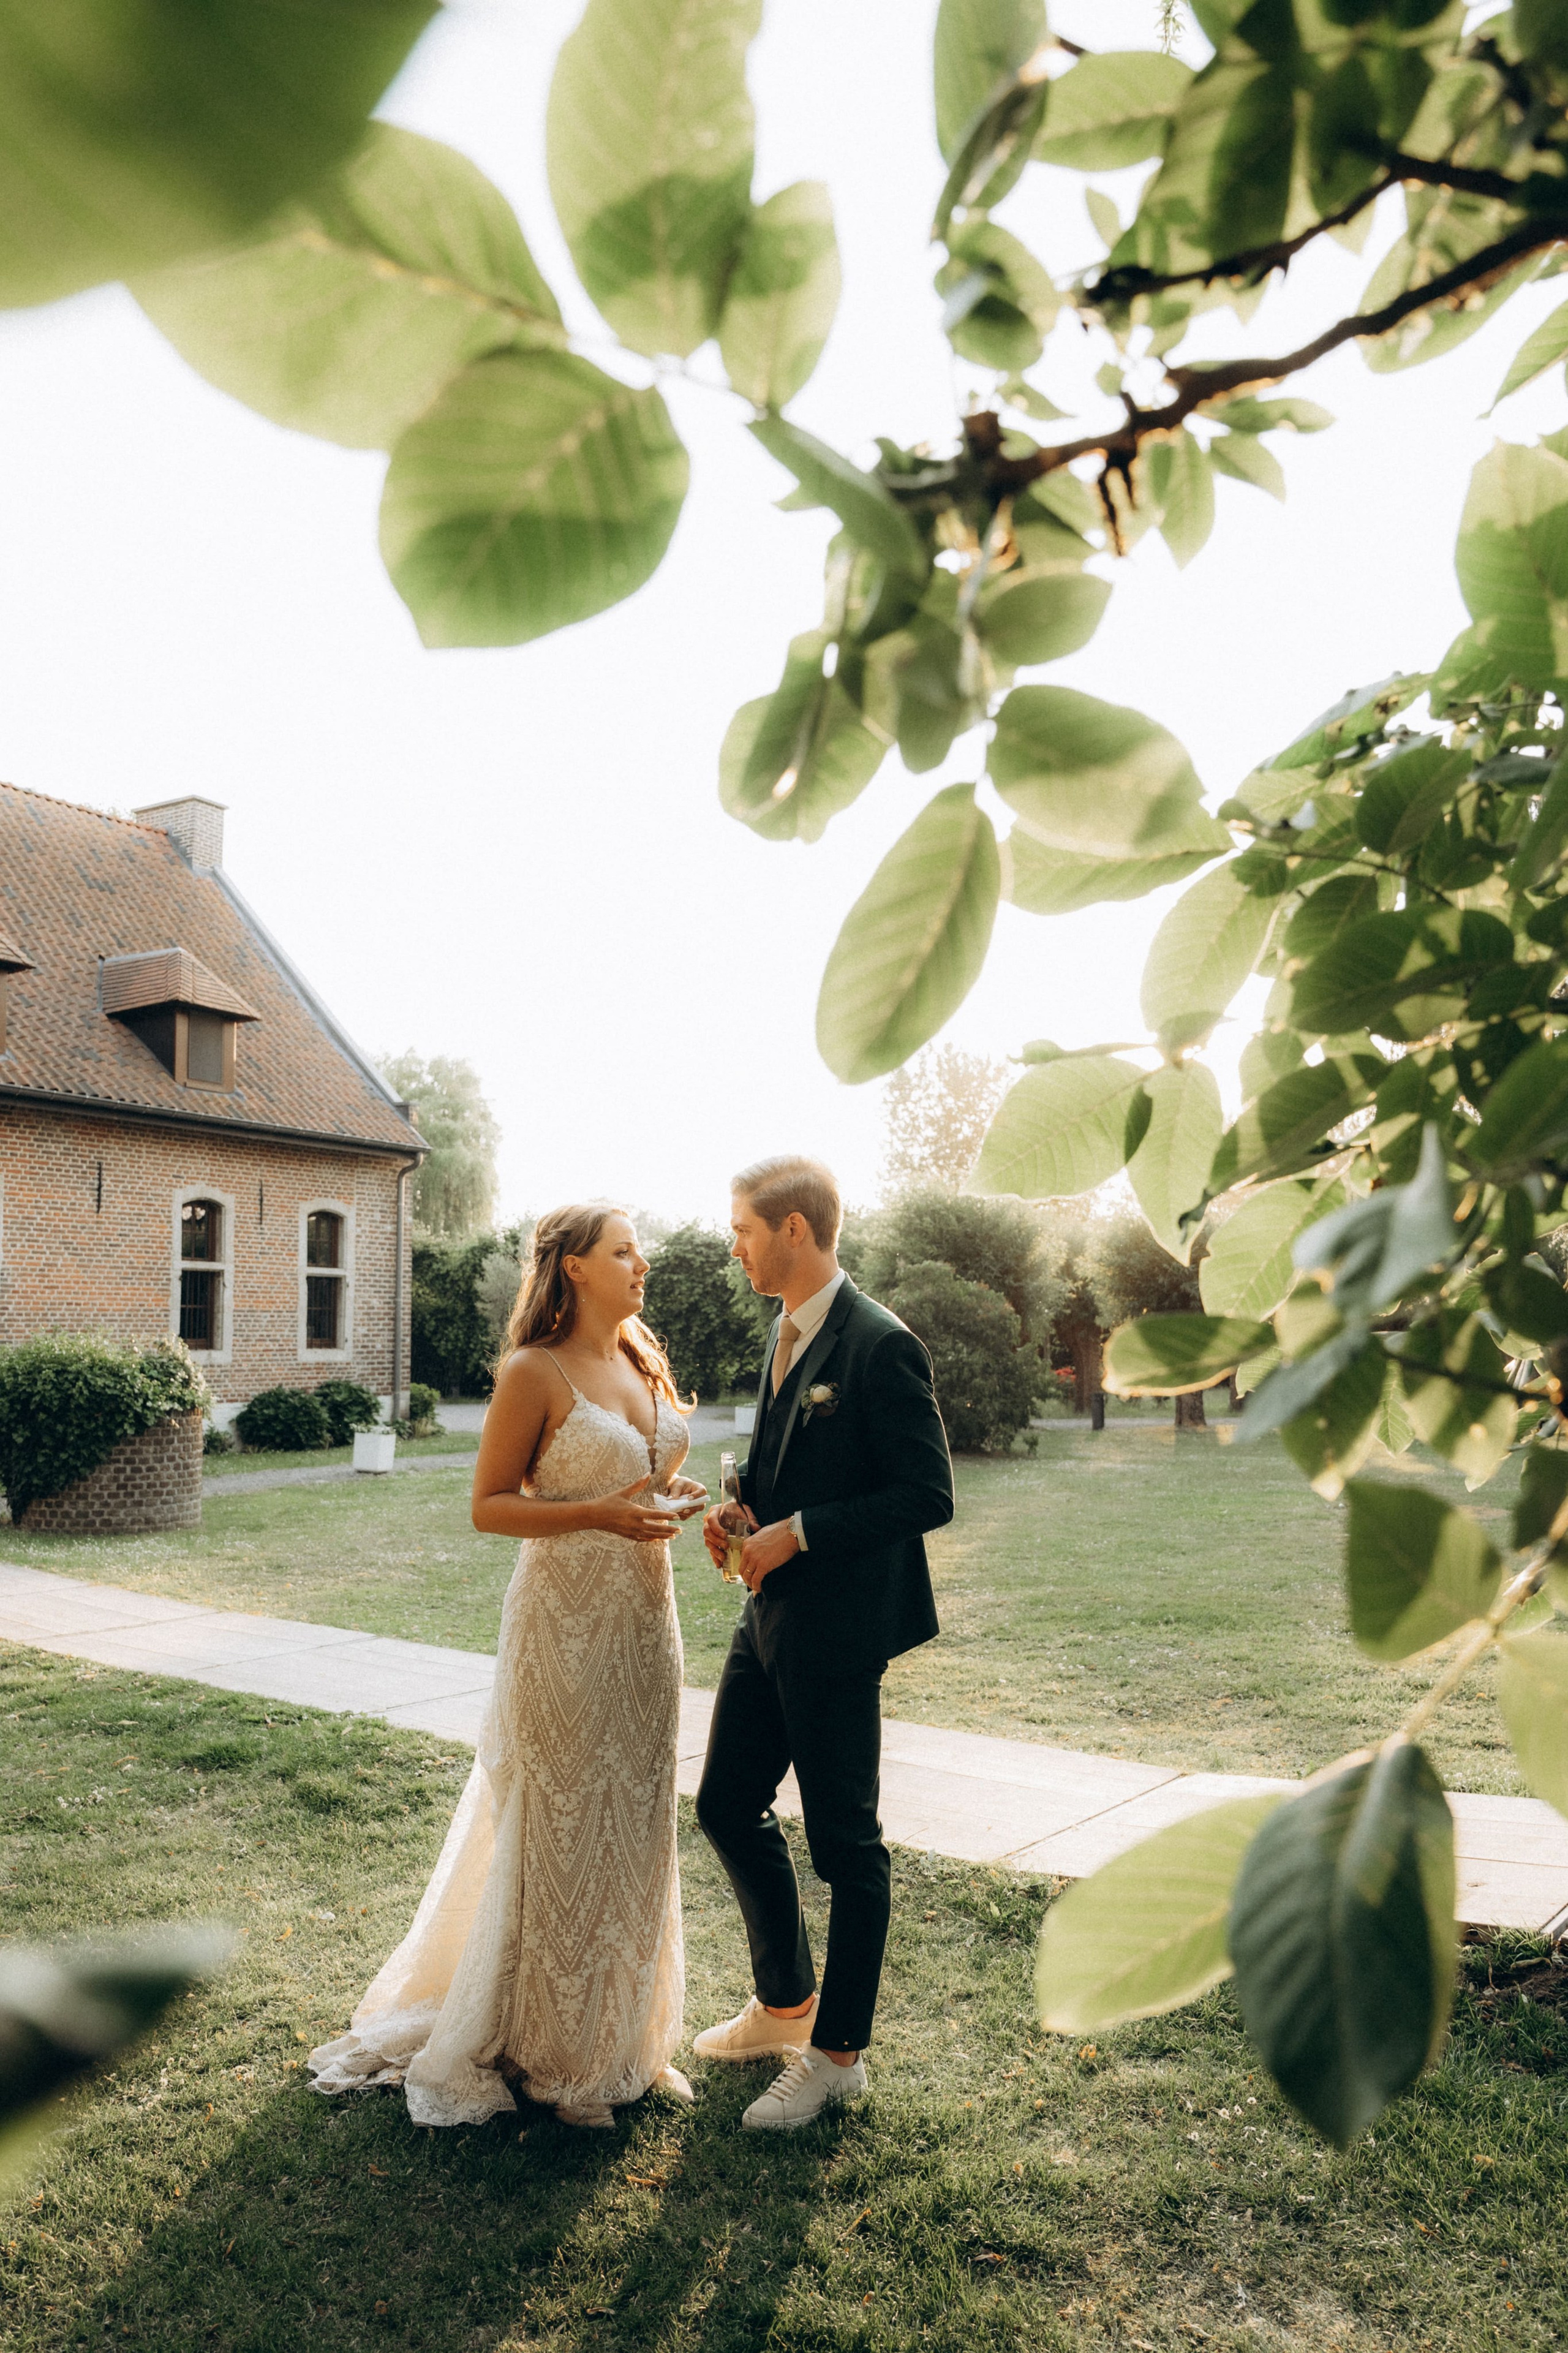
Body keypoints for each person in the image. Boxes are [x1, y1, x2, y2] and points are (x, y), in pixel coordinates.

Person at [309, 1205, 706, 2129]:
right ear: (572, 1267)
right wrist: (600, 1514)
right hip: (561, 1629)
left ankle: (623, 2042)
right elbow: (490, 1505)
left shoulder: (643, 1356)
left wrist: (664, 1498)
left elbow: (635, 1479)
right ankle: (557, 2057)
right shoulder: (536, 1370)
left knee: (635, 1816)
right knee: (564, 1818)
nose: (641, 1261)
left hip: (646, 1627)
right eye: (622, 1250)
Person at [695, 1154, 954, 2128]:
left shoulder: (882, 1344)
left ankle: (837, 2051)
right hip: (767, 1617)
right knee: (725, 1801)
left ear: (795, 1228)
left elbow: (928, 1493)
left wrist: (797, 1533)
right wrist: (742, 1515)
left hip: (840, 1627)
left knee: (848, 1845)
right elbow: (779, 1470)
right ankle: (784, 2002)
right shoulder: (781, 1334)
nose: (735, 1246)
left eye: (744, 1229)